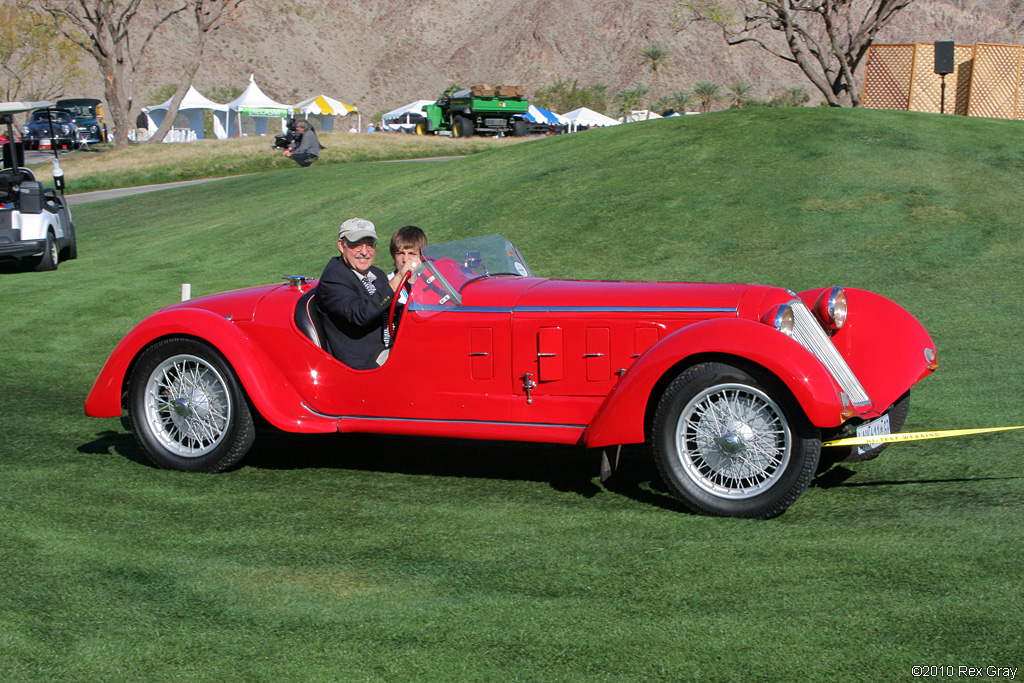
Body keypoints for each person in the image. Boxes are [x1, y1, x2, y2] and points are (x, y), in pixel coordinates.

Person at [317, 218, 418, 369]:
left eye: (369, 245)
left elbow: (394, 311)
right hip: (365, 361)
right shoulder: (333, 279)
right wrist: (398, 278)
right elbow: (361, 313)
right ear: (341, 245)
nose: (364, 252)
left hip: (390, 348)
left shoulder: (375, 273)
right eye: (356, 245)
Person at [387, 226, 427, 333]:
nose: (405, 260)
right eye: (400, 253)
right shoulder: (386, 284)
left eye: (412, 254)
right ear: (393, 255)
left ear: (421, 256)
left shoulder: (429, 284)